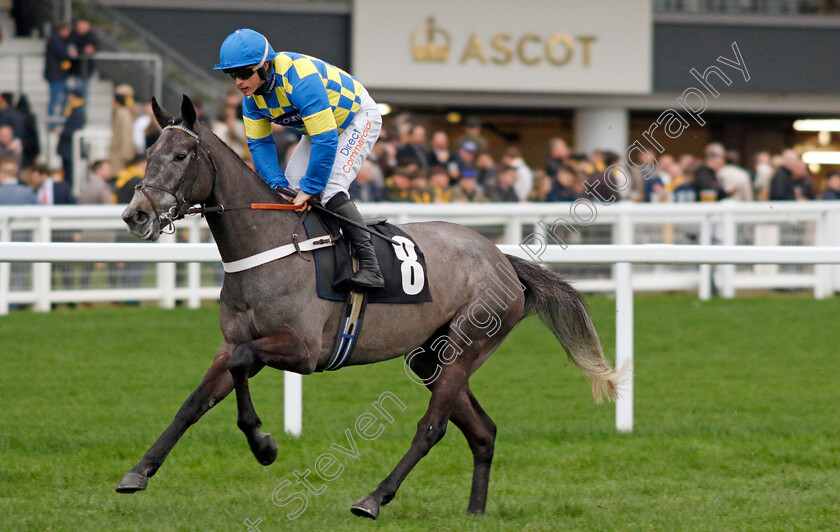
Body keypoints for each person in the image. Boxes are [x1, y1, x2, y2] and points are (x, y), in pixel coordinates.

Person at [214, 28, 384, 289]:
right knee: (289, 193)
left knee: (331, 188)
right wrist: (276, 185)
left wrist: (312, 187)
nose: (239, 81)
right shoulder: (252, 100)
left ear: (266, 65)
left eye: (245, 73)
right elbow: (259, 144)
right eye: (233, 74)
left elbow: (326, 139)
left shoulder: (299, 77)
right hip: (319, 129)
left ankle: (371, 267)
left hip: (356, 118)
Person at [44, 21, 75, 119]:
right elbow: (61, 53)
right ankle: (52, 122)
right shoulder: (55, 39)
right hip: (55, 74)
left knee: (65, 97)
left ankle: (61, 118)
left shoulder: (61, 40)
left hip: (61, 74)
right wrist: (69, 54)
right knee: (55, 99)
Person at [57, 89, 86, 186]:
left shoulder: (77, 111)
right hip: (68, 147)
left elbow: (74, 129)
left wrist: (62, 131)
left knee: (69, 173)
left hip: (70, 148)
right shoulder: (73, 109)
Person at [109, 84, 136, 175]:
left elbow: (126, 134)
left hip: (120, 154)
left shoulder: (123, 114)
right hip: (118, 152)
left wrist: (126, 154)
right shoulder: (123, 113)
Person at [69, 18, 98, 100]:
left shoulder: (91, 35)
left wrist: (92, 49)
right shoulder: (73, 35)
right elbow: (72, 48)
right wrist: (82, 50)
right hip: (76, 69)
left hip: (88, 68)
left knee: (85, 91)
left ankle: (82, 111)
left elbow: (96, 47)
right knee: (77, 90)